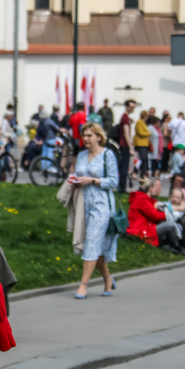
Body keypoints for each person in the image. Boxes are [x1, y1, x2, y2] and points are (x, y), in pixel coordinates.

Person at [72, 123, 119, 299]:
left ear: (99, 137)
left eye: (89, 135)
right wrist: (76, 181)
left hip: (102, 204)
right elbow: (78, 174)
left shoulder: (108, 155)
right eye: (84, 135)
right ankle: (108, 279)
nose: (86, 138)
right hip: (84, 203)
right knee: (95, 243)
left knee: (92, 241)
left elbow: (114, 182)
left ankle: (83, 285)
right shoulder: (82, 155)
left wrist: (92, 181)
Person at [126, 176, 184, 254]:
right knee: (170, 225)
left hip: (146, 229)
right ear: (150, 188)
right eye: (155, 188)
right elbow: (154, 216)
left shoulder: (146, 199)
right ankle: (178, 247)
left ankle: (170, 246)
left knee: (178, 226)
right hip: (141, 232)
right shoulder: (141, 199)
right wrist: (169, 215)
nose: (157, 190)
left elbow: (159, 206)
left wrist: (172, 209)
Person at [117, 100, 136, 190]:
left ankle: (122, 186)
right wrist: (131, 148)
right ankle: (122, 187)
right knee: (124, 167)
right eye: (131, 107)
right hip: (124, 145)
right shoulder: (125, 118)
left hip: (124, 145)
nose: (133, 109)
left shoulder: (126, 118)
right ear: (127, 107)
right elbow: (126, 134)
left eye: (133, 107)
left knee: (124, 166)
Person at [134, 109, 151, 179]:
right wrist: (149, 133)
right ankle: (135, 171)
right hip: (140, 143)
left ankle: (142, 174)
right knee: (141, 158)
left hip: (144, 143)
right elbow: (140, 133)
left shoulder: (144, 123)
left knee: (145, 159)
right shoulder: (139, 122)